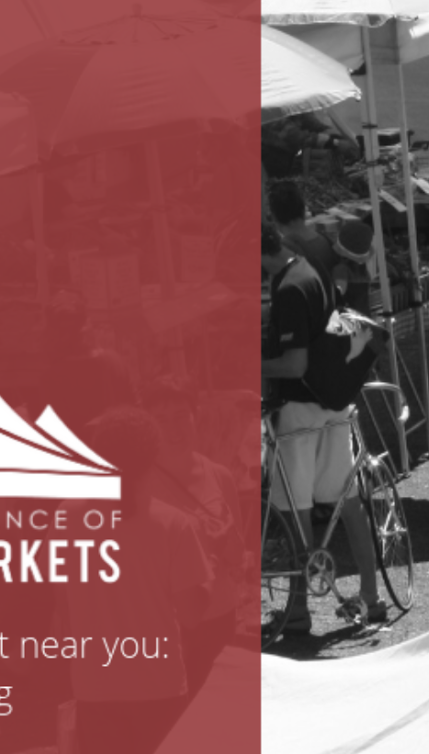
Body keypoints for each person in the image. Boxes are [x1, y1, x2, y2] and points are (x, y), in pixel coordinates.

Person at [61, 406, 210, 754]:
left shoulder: (66, 516)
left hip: (93, 685)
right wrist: (210, 574)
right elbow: (192, 614)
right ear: (153, 457)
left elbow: (62, 607)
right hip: (158, 685)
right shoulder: (173, 524)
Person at [260, 223, 382, 632]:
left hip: (300, 407)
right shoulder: (312, 269)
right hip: (334, 400)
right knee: (347, 498)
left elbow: (295, 364)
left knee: (295, 508)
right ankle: (371, 596)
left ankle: (298, 611)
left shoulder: (289, 289)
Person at [146, 375, 247, 687]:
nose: (173, 429)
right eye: (161, 420)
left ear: (195, 416)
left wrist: (224, 541)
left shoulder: (220, 476)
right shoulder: (138, 483)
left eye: (180, 416)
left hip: (220, 616)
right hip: (168, 624)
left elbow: (239, 557)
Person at [266, 179, 337, 295]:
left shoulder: (281, 252)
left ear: (274, 215)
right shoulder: (325, 242)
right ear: (303, 209)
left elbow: (276, 293)